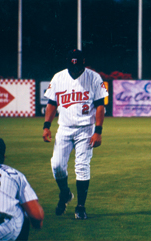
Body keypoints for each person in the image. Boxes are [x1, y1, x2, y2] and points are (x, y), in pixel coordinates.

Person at [43, 49, 108, 220]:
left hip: (85, 129)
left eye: (78, 66)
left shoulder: (93, 77)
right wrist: (46, 126)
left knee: (82, 167)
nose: (75, 69)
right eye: (72, 66)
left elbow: (100, 105)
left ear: (83, 63)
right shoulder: (58, 77)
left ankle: (80, 207)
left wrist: (98, 131)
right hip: (64, 128)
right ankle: (65, 193)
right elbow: (51, 103)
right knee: (56, 165)